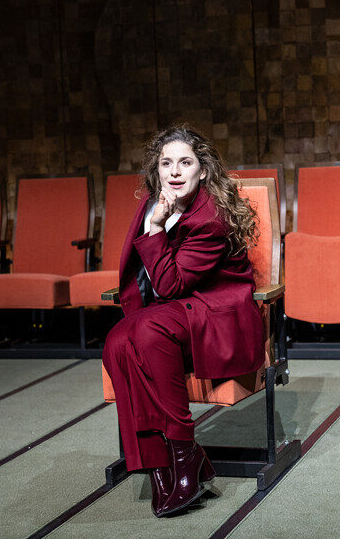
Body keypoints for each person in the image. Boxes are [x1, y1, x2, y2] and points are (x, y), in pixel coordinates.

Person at [102, 125, 264, 517]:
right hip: (177, 313)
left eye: (185, 162)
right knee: (117, 341)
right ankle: (159, 465)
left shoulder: (209, 217)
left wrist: (157, 228)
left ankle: (183, 447)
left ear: (202, 170)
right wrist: (156, 220)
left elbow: (170, 286)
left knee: (146, 330)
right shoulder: (155, 203)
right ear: (156, 170)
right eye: (166, 163)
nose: (174, 171)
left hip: (215, 316)